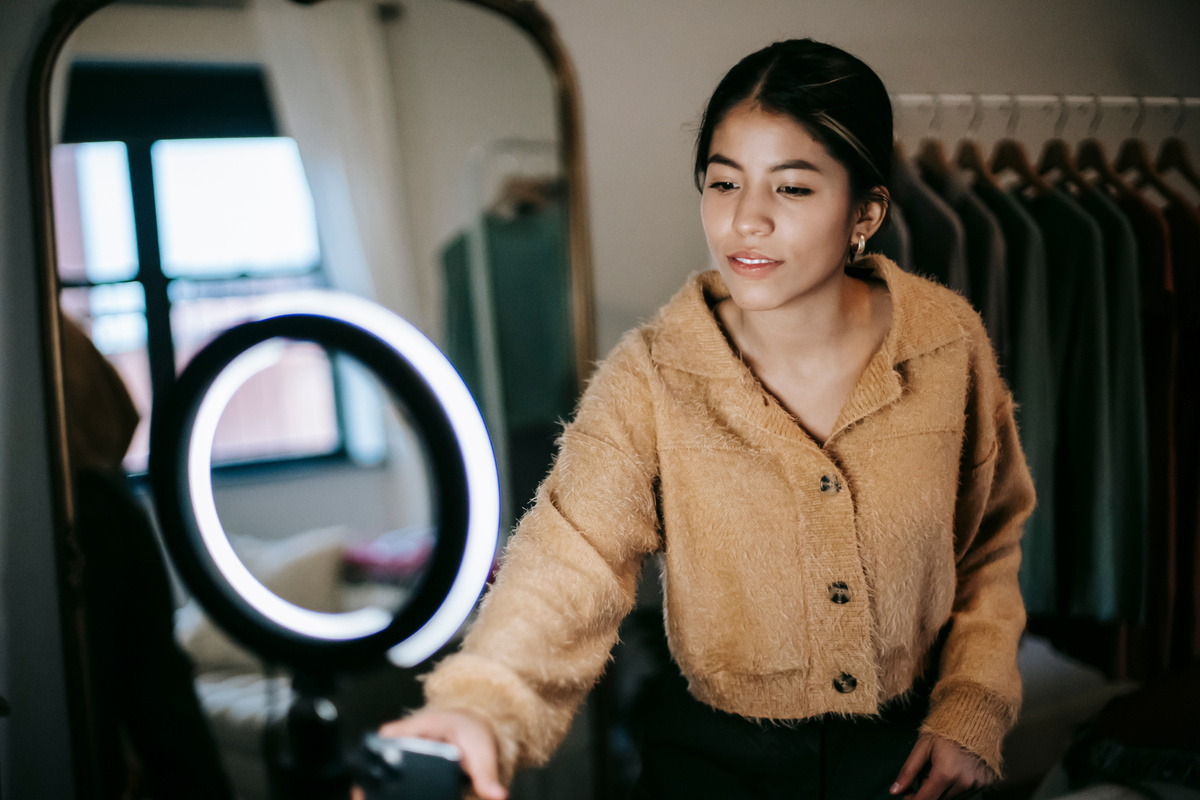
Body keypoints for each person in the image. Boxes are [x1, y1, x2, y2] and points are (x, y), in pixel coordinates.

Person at [371, 38, 1034, 800]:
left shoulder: (947, 344)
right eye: (724, 183)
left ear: (866, 212)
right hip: (712, 766)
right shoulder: (651, 374)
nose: (745, 220)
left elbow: (990, 545)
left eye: (791, 189)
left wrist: (972, 708)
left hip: (910, 764)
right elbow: (567, 558)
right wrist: (479, 707)